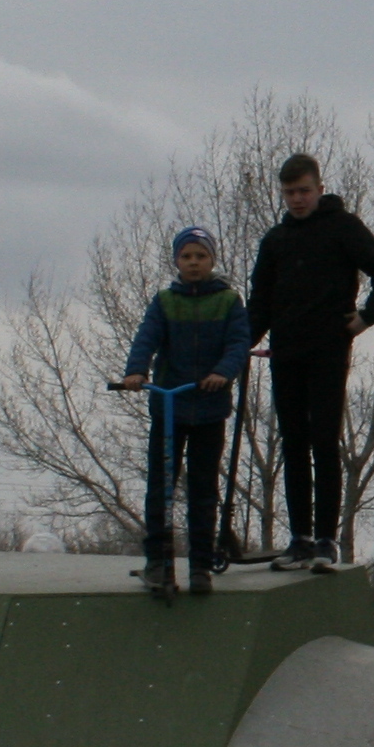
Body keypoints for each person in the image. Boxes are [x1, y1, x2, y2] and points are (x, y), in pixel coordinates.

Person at [248, 152, 374, 573]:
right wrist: (238, 344)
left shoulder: (343, 227)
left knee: (323, 442)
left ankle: (325, 540)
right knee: (293, 443)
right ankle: (298, 538)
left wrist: (368, 316)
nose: (297, 199)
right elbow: (259, 302)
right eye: (289, 192)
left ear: (319, 188)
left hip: (328, 352)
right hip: (286, 352)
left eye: (303, 191)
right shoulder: (275, 241)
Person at [123, 228, 250, 595]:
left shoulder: (228, 301)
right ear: (177, 261)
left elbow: (238, 343)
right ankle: (158, 561)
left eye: (201, 256)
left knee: (202, 488)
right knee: (160, 486)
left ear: (211, 260)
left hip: (209, 407)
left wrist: (222, 373)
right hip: (170, 406)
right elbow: (147, 336)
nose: (194, 263)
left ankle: (200, 564)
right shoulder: (165, 301)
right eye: (187, 256)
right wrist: (136, 371)